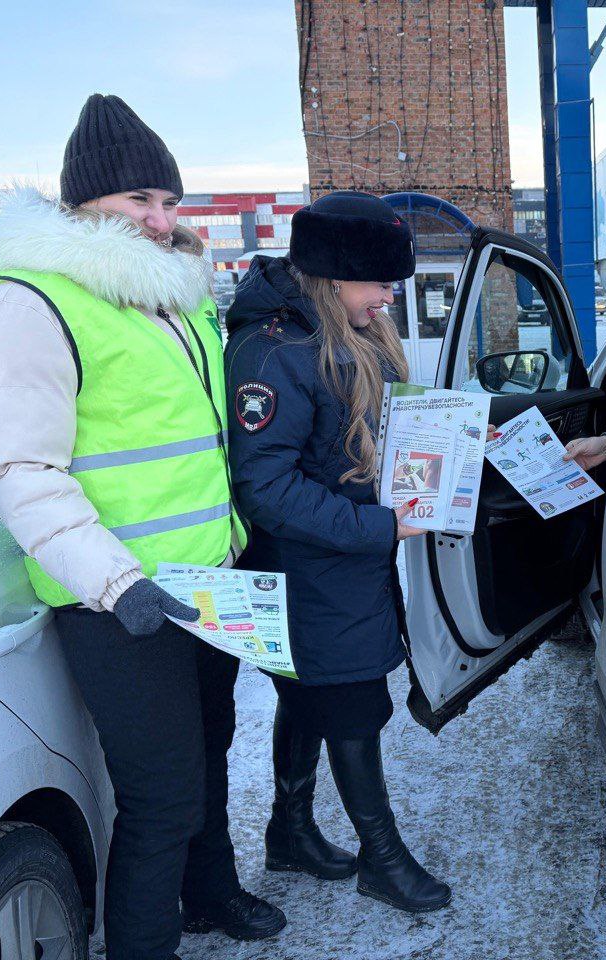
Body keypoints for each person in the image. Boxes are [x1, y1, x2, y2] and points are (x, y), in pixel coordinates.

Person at [0, 95, 285, 960]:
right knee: (162, 796)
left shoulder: (166, 298)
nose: (160, 219)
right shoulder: (27, 301)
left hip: (205, 580)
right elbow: (25, 470)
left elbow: (191, 437)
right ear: (81, 203)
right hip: (122, 601)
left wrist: (240, 536)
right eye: (140, 200)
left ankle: (209, 895)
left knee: (211, 752)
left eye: (169, 202)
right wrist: (115, 582)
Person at [225, 191, 452, 913]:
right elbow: (266, 489)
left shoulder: (329, 337)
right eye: (378, 283)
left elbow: (335, 448)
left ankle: (288, 831)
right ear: (330, 275)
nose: (388, 297)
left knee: (308, 697)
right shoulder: (274, 350)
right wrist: (382, 528)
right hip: (307, 575)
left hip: (338, 569)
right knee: (351, 708)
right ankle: (383, 860)